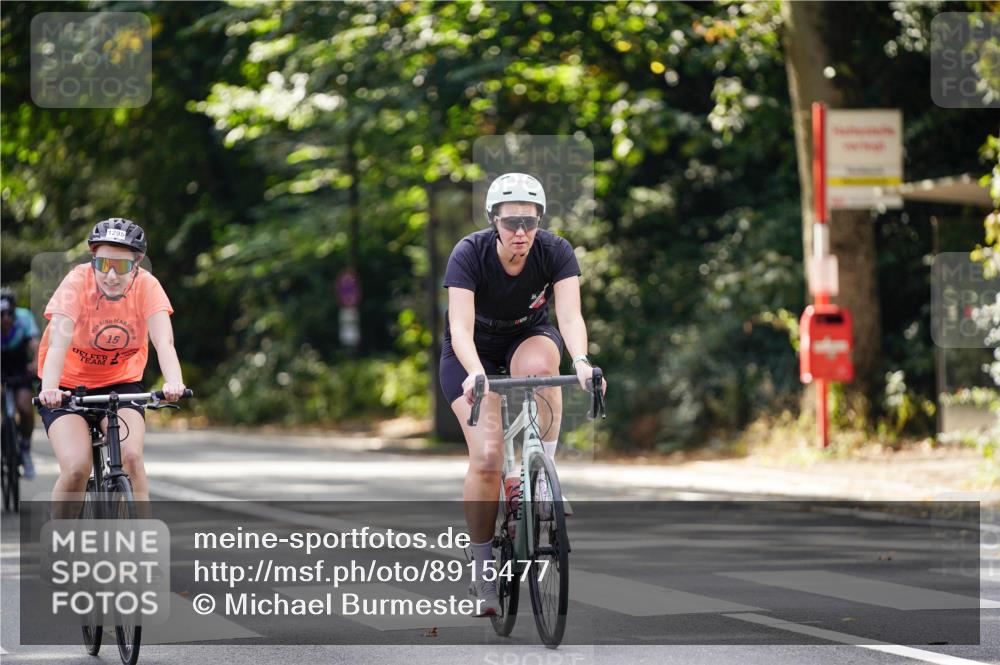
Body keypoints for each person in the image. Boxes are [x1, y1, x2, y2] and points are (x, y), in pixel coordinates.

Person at [440, 172, 606, 616]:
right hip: (471, 352)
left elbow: (570, 317)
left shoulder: (555, 251)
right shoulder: (469, 253)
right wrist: (476, 373)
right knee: (488, 457)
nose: (521, 232)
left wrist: (582, 362)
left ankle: (542, 474)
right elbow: (460, 327)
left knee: (542, 369)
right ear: (493, 221)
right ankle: (482, 571)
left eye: (530, 222)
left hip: (526, 338)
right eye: (511, 222)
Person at [35, 218, 186, 512]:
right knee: (77, 468)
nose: (112, 276)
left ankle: (141, 535)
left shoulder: (148, 287)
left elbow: (164, 342)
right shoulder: (76, 283)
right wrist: (50, 389)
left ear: (137, 264)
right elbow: (57, 344)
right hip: (67, 386)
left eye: (122, 266)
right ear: (93, 259)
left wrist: (174, 382)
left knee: (132, 458)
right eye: (103, 265)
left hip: (121, 383)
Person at [1, 287, 41, 478]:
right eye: (1, 314)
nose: (5, 319)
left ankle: (25, 449)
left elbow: (34, 344)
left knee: (25, 408)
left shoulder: (24, 318)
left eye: (9, 313)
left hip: (20, 368)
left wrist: (36, 362)